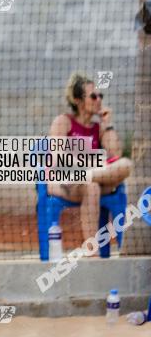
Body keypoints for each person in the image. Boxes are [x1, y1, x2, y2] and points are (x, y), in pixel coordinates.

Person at [47, 72, 133, 245]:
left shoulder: (99, 127)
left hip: (91, 178)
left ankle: (89, 176)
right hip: (65, 182)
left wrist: (107, 123)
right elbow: (58, 159)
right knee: (92, 186)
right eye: (93, 96)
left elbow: (115, 154)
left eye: (100, 95)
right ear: (78, 100)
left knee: (125, 164)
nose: (99, 100)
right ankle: (91, 252)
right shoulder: (63, 122)